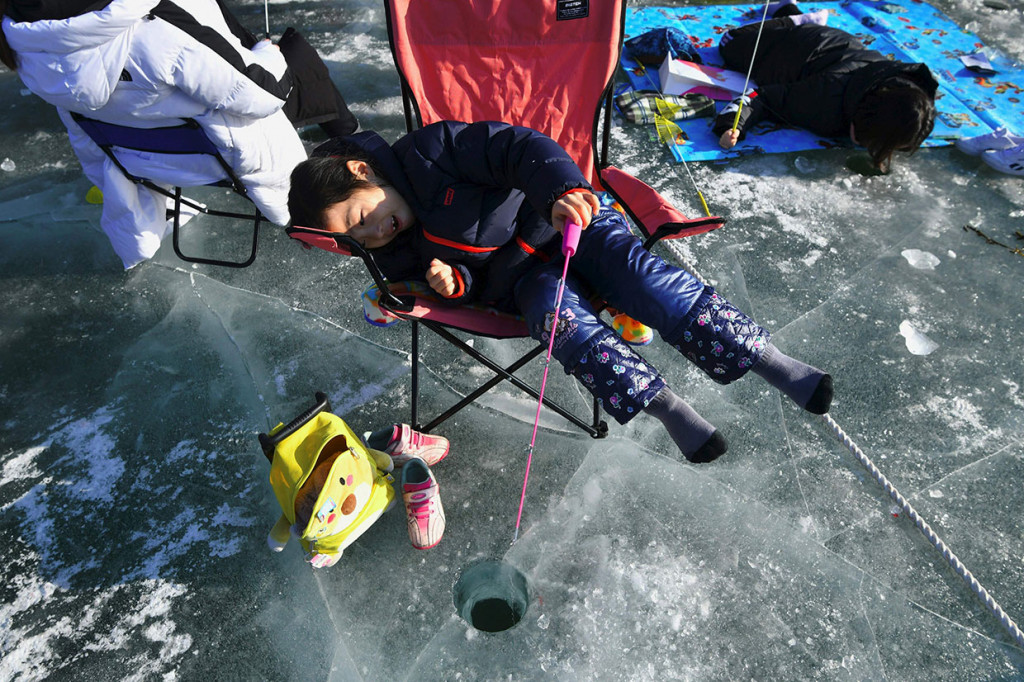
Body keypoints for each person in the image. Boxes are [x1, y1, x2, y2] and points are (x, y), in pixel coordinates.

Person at [288, 120, 834, 463]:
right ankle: (667, 408)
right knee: (562, 324)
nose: (371, 233)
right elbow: (464, 288)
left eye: (362, 216)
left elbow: (518, 147)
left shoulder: (433, 151)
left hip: (568, 227)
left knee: (647, 281)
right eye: (354, 236)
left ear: (362, 171)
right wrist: (454, 285)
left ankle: (771, 361)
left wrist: (562, 191)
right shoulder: (390, 249)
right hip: (524, 283)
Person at [0, 0, 354, 268]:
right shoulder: (158, 27)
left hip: (142, 162)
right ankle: (353, 142)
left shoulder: (25, 42)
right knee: (298, 57)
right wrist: (268, 53)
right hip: (228, 159)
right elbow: (262, 94)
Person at [713, 0, 937, 173]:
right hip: (798, 48)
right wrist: (733, 124)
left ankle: (797, 17)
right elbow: (763, 97)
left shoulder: (914, 95)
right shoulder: (822, 99)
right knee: (730, 42)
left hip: (843, 47)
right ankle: (795, 18)